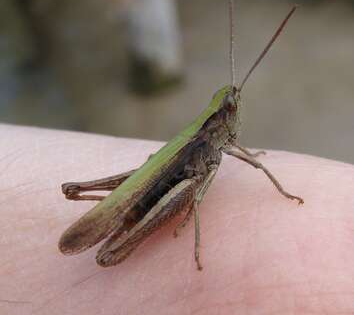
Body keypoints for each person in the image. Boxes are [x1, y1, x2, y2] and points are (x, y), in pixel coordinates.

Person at [1, 124, 353, 314]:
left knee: (209, 185)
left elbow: (240, 156)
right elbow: (197, 197)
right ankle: (113, 230)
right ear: (218, 119)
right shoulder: (207, 143)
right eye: (229, 112)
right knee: (196, 197)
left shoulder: (215, 140)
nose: (234, 119)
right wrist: (196, 247)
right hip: (163, 188)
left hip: (175, 178)